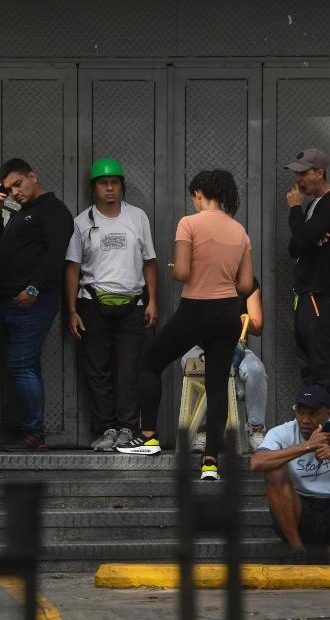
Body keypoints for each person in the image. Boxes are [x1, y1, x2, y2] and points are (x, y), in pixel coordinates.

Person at [116, 170, 252, 482]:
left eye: (194, 197)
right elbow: (245, 284)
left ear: (199, 194)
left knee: (150, 362)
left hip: (195, 309)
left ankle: (149, 438)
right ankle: (210, 462)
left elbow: (182, 273)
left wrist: (180, 268)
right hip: (228, 312)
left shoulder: (189, 223)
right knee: (217, 384)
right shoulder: (240, 230)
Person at [66, 157, 158, 451]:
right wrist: (72, 310)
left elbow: (150, 262)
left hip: (133, 304)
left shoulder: (137, 218)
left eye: (114, 183)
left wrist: (153, 301)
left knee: (129, 369)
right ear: (94, 188)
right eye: (104, 184)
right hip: (92, 303)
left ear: (122, 187)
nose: (109, 189)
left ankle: (128, 428)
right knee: (98, 370)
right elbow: (72, 268)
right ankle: (107, 428)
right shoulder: (82, 222)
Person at [0, 158, 74, 451]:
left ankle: (34, 433)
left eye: (18, 184)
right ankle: (33, 432)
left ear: (33, 176)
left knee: (20, 363)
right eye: (10, 189)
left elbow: (55, 255)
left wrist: (34, 288)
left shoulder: (53, 210)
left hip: (34, 302)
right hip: (12, 302)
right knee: (26, 364)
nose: (15, 192)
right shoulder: (22, 213)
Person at [249, 385, 330, 563]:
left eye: (313, 414)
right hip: (299, 513)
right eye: (300, 413)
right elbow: (257, 462)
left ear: (328, 413)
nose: (305, 420)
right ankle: (298, 551)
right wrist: (307, 446)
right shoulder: (282, 432)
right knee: (274, 470)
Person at [284, 148, 330, 412]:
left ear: (319, 172)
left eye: (303, 173)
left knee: (324, 367)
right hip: (306, 294)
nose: (298, 180)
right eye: (296, 174)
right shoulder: (315, 206)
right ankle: (315, 427)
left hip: (320, 292)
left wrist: (295, 210)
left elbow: (301, 239)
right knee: (310, 367)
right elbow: (295, 247)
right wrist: (309, 235)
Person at [180, 277, 268, 452]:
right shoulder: (201, 276)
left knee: (255, 369)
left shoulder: (247, 282)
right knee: (198, 366)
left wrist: (234, 320)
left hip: (236, 347)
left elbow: (257, 326)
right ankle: (203, 430)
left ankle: (256, 429)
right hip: (201, 347)